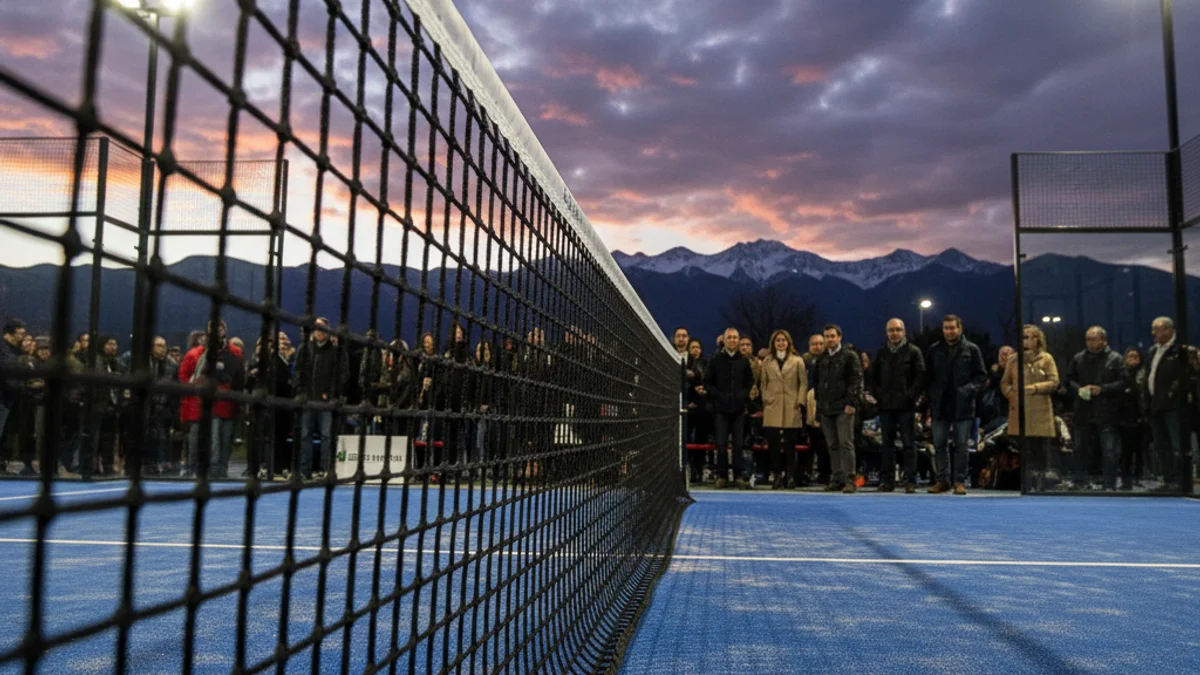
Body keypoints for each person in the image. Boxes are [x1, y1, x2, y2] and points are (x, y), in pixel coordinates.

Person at [924, 314, 987, 495]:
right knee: (939, 444)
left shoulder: (972, 349)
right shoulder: (934, 350)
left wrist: (969, 390)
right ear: (942, 329)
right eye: (946, 328)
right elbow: (927, 376)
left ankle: (959, 481)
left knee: (961, 445)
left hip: (963, 404)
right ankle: (942, 480)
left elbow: (981, 376)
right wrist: (932, 394)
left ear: (960, 328)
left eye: (953, 327)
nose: (950, 331)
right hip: (940, 404)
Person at [178, 320, 245, 480]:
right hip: (209, 405)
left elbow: (241, 378)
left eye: (220, 327)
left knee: (227, 439)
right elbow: (185, 377)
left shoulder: (235, 353)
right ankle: (210, 469)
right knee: (212, 440)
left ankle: (222, 469)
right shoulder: (198, 354)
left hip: (229, 403)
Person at [867, 318, 925, 493]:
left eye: (898, 330)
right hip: (886, 406)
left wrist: (910, 396)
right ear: (886, 333)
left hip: (906, 406)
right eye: (891, 330)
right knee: (887, 445)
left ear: (904, 331)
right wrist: (879, 396)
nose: (894, 333)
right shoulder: (881, 353)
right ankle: (887, 480)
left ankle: (910, 480)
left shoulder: (914, 352)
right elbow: (872, 378)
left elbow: (920, 376)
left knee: (909, 444)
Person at [1063, 326, 1125, 490]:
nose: (1090, 343)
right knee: (1080, 448)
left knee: (1109, 450)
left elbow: (1124, 382)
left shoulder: (1116, 358)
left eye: (1094, 339)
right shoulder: (1078, 358)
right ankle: (1079, 481)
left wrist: (1102, 389)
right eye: (1088, 339)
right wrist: (1079, 389)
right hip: (1083, 410)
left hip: (1107, 412)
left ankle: (1109, 483)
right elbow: (1068, 380)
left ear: (1104, 340)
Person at [1003, 324, 1060, 492]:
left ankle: (1041, 483)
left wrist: (1035, 388)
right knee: (1024, 448)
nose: (1025, 341)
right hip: (1021, 409)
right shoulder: (1013, 359)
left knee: (1041, 448)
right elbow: (1005, 382)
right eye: (1023, 337)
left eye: (1029, 337)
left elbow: (1054, 382)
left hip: (1040, 409)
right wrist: (1011, 394)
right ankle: (1026, 482)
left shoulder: (1047, 358)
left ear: (1038, 339)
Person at [293, 318, 348, 480]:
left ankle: (325, 469)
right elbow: (297, 372)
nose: (319, 331)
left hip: (327, 402)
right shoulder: (304, 348)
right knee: (305, 435)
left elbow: (342, 376)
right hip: (307, 400)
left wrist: (330, 394)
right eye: (316, 328)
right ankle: (305, 471)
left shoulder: (337, 351)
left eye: (322, 328)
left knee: (326, 436)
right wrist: (301, 391)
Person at [811, 324, 863, 493]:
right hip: (826, 408)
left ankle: (850, 480)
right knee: (832, 445)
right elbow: (818, 385)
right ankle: (837, 478)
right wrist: (819, 409)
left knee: (846, 444)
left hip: (843, 408)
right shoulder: (822, 358)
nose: (829, 339)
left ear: (839, 337)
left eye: (832, 336)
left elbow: (856, 380)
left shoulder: (850, 356)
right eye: (826, 336)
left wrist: (851, 403)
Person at [1144, 317, 1192, 491]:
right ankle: (1166, 479)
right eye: (1153, 329)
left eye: (1157, 329)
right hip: (1155, 405)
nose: (1153, 333)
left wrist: (1173, 394)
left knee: (1176, 444)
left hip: (1173, 407)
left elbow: (1185, 376)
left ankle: (1180, 480)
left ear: (1169, 330)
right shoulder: (1152, 351)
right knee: (1161, 445)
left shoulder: (1180, 350)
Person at [704, 327, 755, 489]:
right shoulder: (715, 360)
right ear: (724, 340)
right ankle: (722, 476)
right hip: (721, 409)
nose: (732, 340)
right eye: (729, 338)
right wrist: (718, 396)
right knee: (721, 444)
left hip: (739, 409)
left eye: (735, 337)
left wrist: (743, 395)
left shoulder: (744, 361)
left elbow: (749, 381)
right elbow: (708, 382)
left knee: (739, 444)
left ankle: (739, 476)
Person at [759, 329, 807, 489]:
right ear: (773, 343)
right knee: (772, 444)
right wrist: (766, 399)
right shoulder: (767, 361)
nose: (780, 343)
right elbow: (763, 383)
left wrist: (800, 402)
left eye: (783, 340)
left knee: (790, 444)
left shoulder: (798, 361)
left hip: (791, 405)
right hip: (772, 405)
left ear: (788, 342)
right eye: (778, 340)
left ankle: (790, 475)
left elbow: (803, 383)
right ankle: (777, 475)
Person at [1118, 347, 1148, 490]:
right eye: (1130, 356)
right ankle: (1126, 479)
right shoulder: (1121, 374)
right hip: (1123, 417)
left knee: (1141, 450)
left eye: (1136, 356)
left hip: (1141, 416)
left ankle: (1139, 477)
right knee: (1125, 451)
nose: (1133, 359)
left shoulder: (1145, 373)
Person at [1, 320, 28, 475]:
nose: (23, 336)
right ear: (10, 333)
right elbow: (9, 374)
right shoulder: (4, 350)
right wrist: (23, 386)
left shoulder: (14, 351)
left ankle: (2, 464)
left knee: (7, 433)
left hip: (10, 397)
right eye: (21, 333)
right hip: (4, 396)